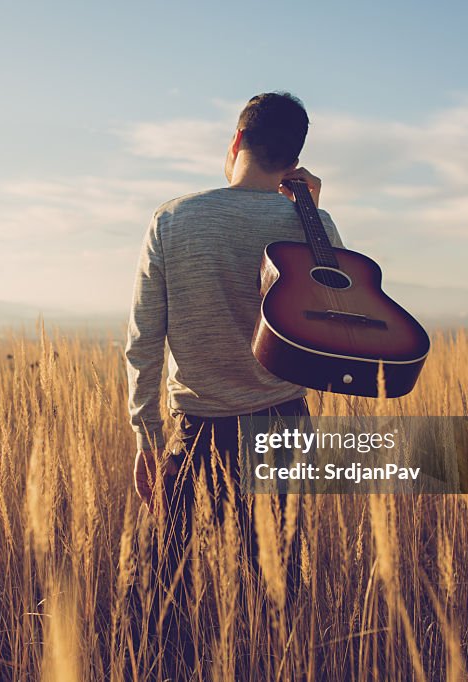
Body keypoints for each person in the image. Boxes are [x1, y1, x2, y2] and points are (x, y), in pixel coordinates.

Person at [123, 91, 346, 678]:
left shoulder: (172, 220)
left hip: (194, 436)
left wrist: (146, 439)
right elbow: (339, 325)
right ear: (294, 161)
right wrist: (309, 217)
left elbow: (144, 342)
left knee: (172, 606)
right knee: (278, 598)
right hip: (283, 432)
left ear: (235, 145)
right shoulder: (313, 224)